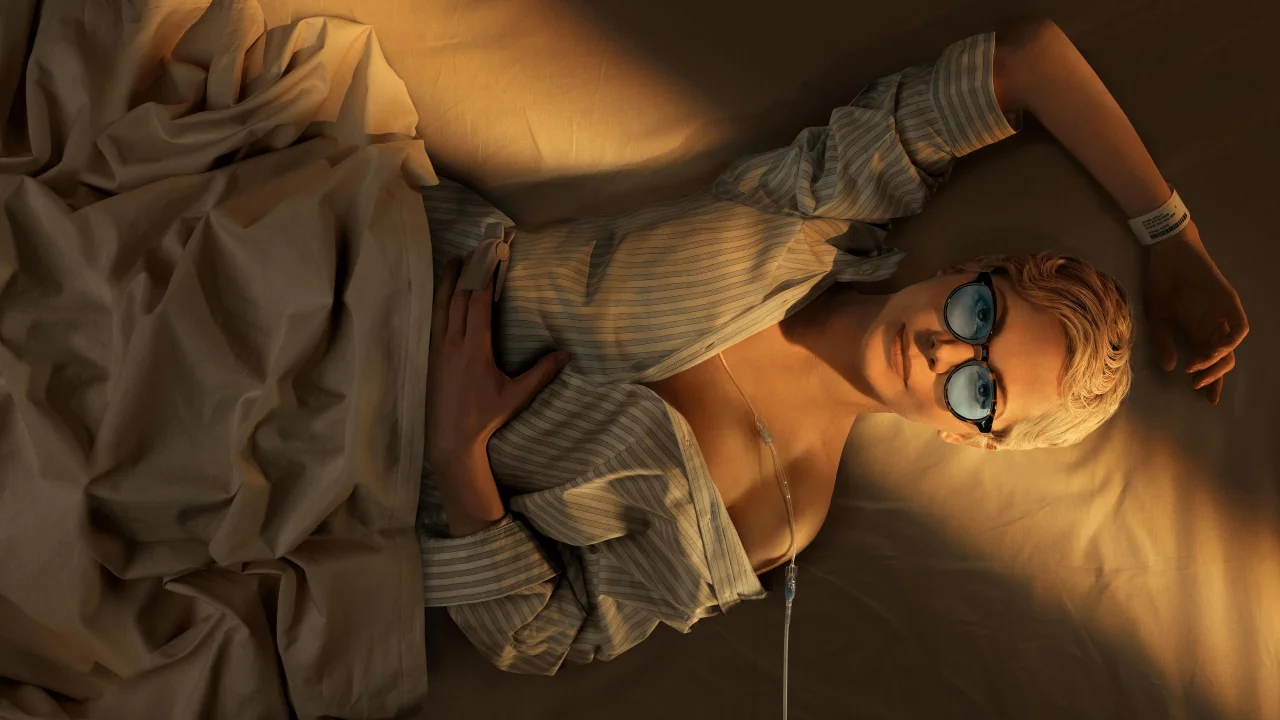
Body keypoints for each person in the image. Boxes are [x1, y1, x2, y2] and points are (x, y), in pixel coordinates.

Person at [419, 18, 1249, 675]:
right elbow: (1030, 59)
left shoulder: (778, 510)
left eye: (980, 391)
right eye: (978, 314)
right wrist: (1169, 232)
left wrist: (460, 455)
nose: (943, 352)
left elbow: (543, 635)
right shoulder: (813, 212)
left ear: (968, 438)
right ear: (965, 270)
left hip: (375, 464)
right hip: (396, 258)